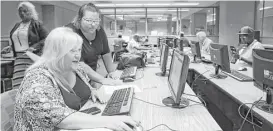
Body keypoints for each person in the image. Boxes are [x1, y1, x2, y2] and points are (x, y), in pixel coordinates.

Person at [14, 27, 139, 131]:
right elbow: (59, 118)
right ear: (56, 52)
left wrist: (93, 91)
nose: (78, 55)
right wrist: (108, 121)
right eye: (72, 51)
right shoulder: (36, 80)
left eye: (79, 50)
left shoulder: (74, 67)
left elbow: (86, 87)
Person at [1, 2, 48, 89]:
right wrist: (11, 47)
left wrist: (34, 47)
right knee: (17, 84)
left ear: (31, 12)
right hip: (19, 59)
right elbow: (19, 41)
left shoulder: (37, 24)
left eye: (25, 11)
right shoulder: (17, 25)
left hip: (31, 57)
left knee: (31, 83)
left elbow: (46, 38)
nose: (22, 13)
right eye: (20, 11)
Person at [66, 3, 119, 79]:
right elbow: (80, 64)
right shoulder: (70, 32)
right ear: (79, 19)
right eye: (89, 20)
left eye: (96, 21)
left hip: (92, 75)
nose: (93, 24)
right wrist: (102, 80)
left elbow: (105, 53)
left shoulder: (99, 30)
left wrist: (112, 72)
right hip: (73, 77)